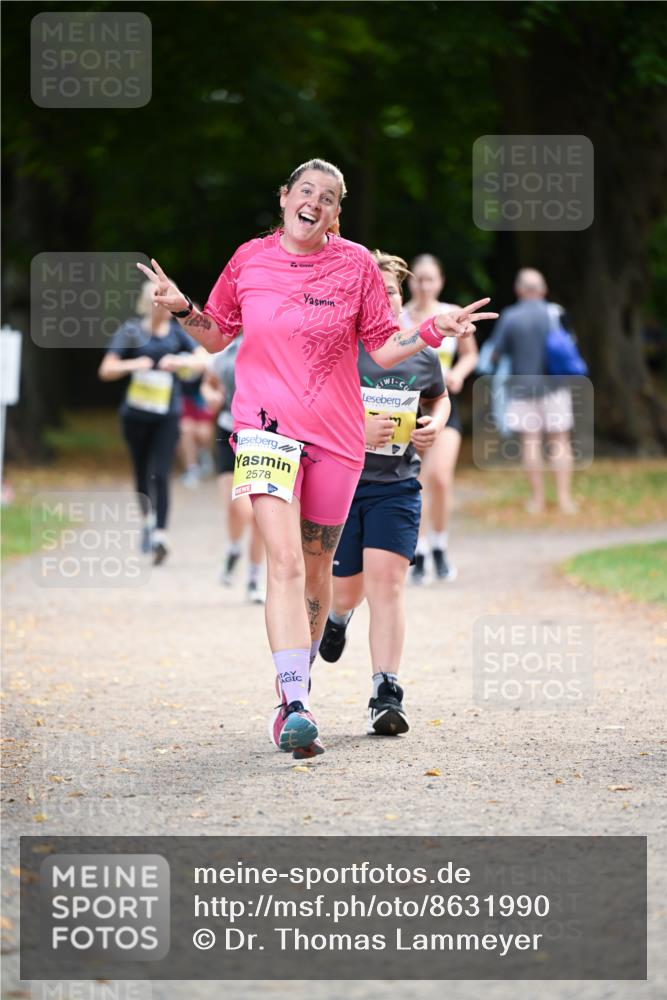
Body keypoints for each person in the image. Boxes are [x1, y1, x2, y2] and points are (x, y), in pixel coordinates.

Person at [137, 158, 497, 755]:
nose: (316, 203)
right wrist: (180, 306)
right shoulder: (248, 259)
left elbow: (383, 347)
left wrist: (436, 329)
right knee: (281, 561)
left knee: (314, 568)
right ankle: (292, 704)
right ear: (284, 198)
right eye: (307, 191)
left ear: (336, 213)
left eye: (329, 198)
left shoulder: (355, 264)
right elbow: (218, 333)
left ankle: (302, 681)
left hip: (336, 438)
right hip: (265, 432)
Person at [319, 251, 450, 735]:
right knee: (348, 590)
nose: (384, 299)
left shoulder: (420, 350)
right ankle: (336, 617)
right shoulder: (336, 349)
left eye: (391, 291)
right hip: (341, 483)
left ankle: (385, 691)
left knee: (387, 585)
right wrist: (356, 427)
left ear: (401, 297)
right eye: (373, 292)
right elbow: (307, 409)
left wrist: (435, 423)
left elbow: (439, 394)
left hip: (396, 485)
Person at [99, 280, 208, 564]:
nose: (158, 305)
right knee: (140, 472)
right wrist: (133, 365)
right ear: (145, 303)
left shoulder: (176, 334)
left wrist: (180, 361)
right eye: (153, 300)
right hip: (135, 415)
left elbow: (203, 359)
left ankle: (160, 533)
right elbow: (107, 369)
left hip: (167, 415)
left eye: (162, 299)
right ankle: (148, 520)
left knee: (160, 472)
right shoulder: (132, 331)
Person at [400, 254, 479, 584]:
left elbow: (470, 353)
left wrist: (459, 374)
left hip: (444, 404)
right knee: (413, 481)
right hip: (408, 406)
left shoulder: (450, 313)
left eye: (430, 278)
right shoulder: (400, 317)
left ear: (440, 282)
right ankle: (415, 550)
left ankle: (439, 546)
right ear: (410, 281)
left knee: (440, 478)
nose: (424, 285)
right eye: (418, 278)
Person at [491, 268, 577, 514]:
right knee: (560, 440)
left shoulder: (510, 317)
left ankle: (537, 501)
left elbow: (496, 353)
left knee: (531, 442)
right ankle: (564, 500)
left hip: (522, 388)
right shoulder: (556, 312)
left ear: (519, 290)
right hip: (555, 386)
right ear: (543, 289)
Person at [201, 336, 266, 603]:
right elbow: (208, 383)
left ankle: (253, 579)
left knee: (261, 515)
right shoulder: (226, 347)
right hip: (229, 430)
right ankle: (233, 547)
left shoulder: (273, 342)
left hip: (264, 437)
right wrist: (211, 395)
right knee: (239, 506)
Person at [178, 369, 216, 489]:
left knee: (203, 432)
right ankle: (192, 468)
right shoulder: (176, 349)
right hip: (183, 396)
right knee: (185, 430)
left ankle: (204, 456)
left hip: (201, 395)